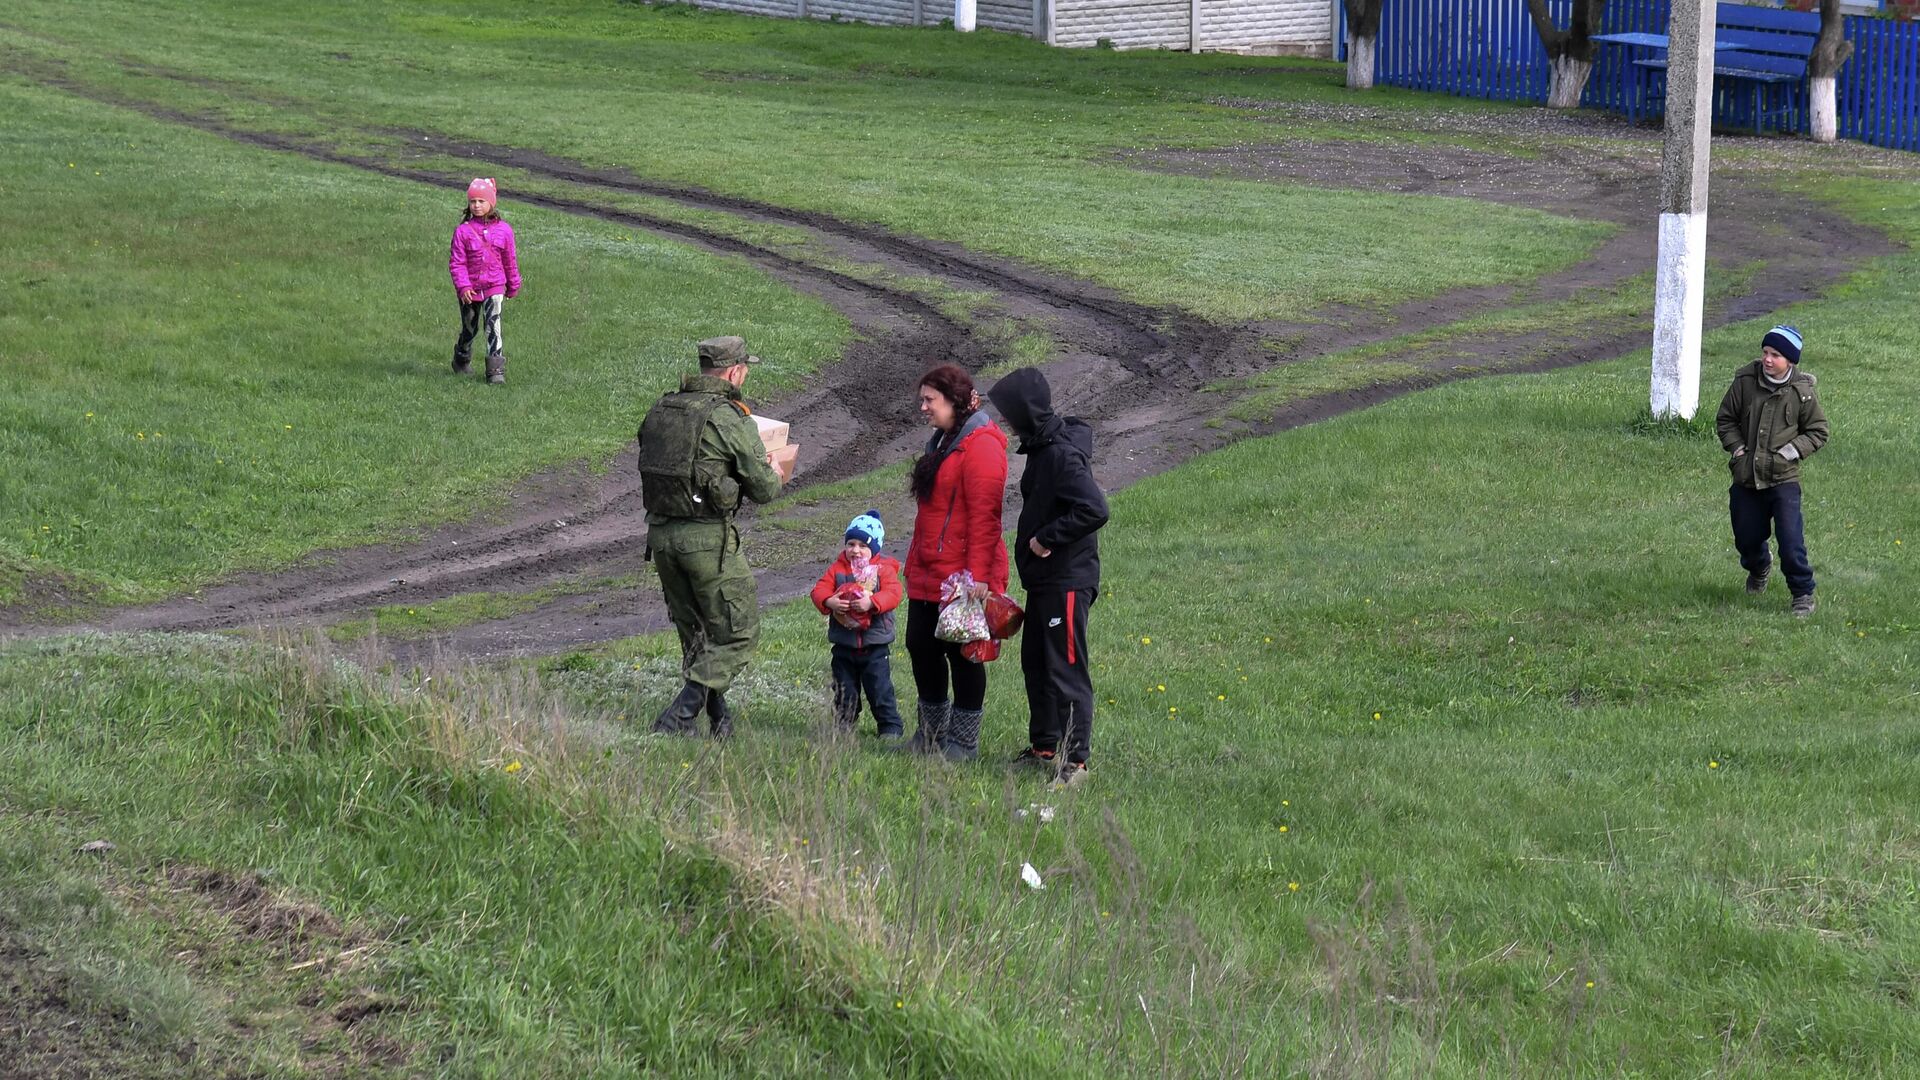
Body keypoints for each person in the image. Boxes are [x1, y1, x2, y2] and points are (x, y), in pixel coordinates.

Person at [638, 336, 791, 736]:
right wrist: (774, 471)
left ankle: (719, 718)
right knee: (738, 632)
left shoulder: (664, 408)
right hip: (707, 541)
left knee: (697, 633)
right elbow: (763, 489)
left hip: (661, 537)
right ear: (735, 371)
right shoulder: (728, 417)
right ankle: (678, 717)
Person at [987, 368, 1110, 787]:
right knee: (1036, 665)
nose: (1006, 421)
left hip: (1067, 581)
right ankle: (1044, 746)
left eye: (1009, 413)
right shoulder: (1042, 449)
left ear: (1025, 411)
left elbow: (1095, 509)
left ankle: (1075, 762)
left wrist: (1046, 539)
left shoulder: (1061, 455)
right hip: (1044, 582)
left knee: (1065, 668)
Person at [901, 365, 1009, 761]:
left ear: (955, 401)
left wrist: (980, 576)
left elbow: (986, 517)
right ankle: (930, 736)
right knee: (920, 646)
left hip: (963, 575)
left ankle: (962, 742)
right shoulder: (945, 441)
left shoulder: (980, 446)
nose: (924, 407)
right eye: (923, 399)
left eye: (930, 400)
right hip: (931, 568)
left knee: (963, 654)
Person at [1715, 325, 1829, 618]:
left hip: (1783, 479)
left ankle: (1802, 593)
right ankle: (1758, 567)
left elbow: (1818, 431)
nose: (1767, 359)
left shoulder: (1802, 393)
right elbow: (1725, 419)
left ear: (1790, 361)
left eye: (1775, 355)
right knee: (1747, 538)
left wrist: (1791, 451)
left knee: (1791, 542)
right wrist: (1738, 449)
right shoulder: (1744, 382)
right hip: (1746, 477)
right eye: (1765, 352)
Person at [810, 511, 905, 739]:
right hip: (844, 645)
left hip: (875, 645)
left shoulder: (883, 569)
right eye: (851, 543)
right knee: (844, 690)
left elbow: (894, 593)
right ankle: (844, 725)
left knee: (880, 689)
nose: (855, 550)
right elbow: (819, 590)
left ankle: (889, 726)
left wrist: (872, 602)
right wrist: (829, 601)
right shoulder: (838, 569)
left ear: (874, 548)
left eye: (863, 545)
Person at [448, 178, 522, 385]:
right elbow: (457, 263)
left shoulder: (505, 230)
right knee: (470, 328)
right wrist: (463, 287)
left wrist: (513, 284)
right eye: (473, 201)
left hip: (494, 286)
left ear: (491, 202)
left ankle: (495, 371)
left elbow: (510, 260)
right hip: (470, 289)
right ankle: (461, 358)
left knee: (493, 326)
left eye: (481, 201)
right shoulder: (463, 231)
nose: (477, 206)